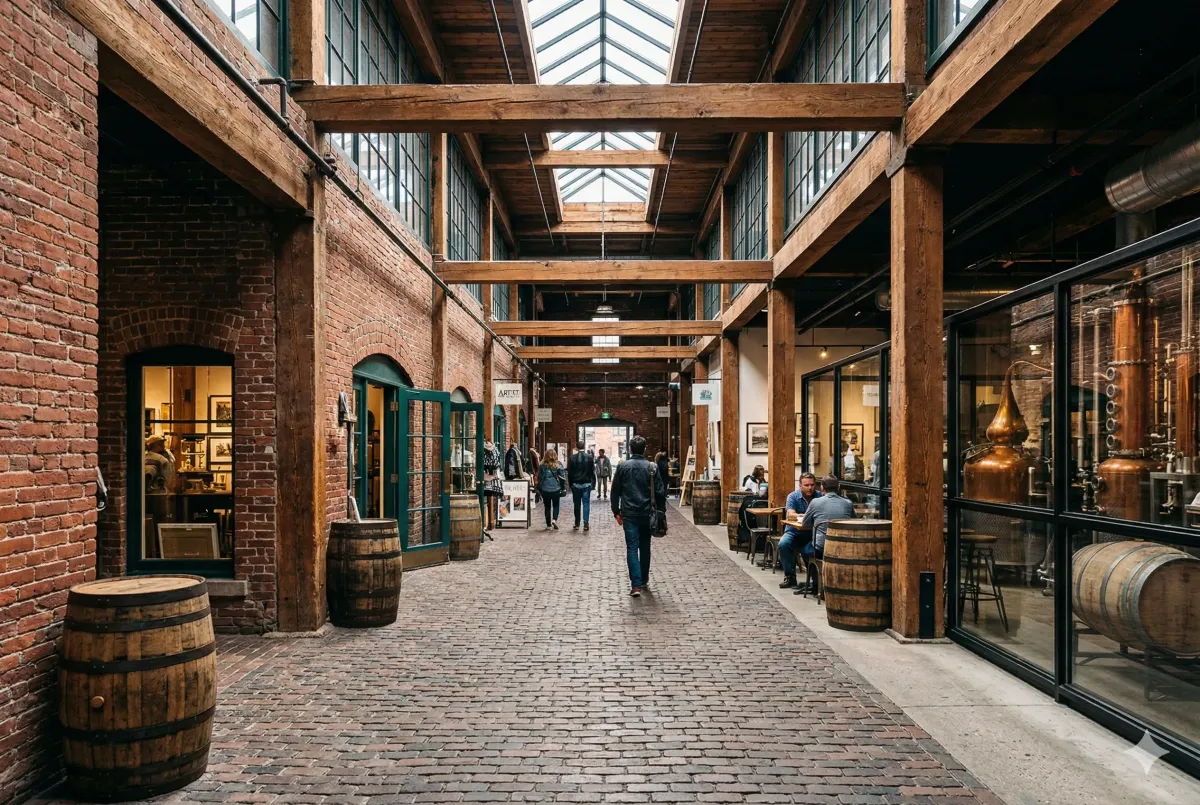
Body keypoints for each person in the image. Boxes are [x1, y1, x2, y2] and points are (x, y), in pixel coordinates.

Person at [610, 435, 665, 597]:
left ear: (630, 449)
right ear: (645, 449)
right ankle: (643, 579)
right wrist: (661, 512)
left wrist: (616, 511)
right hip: (648, 513)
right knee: (645, 546)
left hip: (629, 513)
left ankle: (636, 585)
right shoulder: (652, 467)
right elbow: (660, 492)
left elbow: (615, 491)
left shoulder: (622, 467)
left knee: (632, 548)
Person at [796, 475, 856, 594]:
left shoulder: (815, 502)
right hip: (843, 547)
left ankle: (816, 583)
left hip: (821, 547)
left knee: (804, 550)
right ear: (838, 487)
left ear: (822, 487)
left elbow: (805, 524)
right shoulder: (848, 503)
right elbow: (854, 521)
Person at [777, 472, 822, 590]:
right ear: (800, 485)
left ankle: (815, 581)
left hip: (813, 533)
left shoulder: (820, 496)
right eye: (806, 485)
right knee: (783, 544)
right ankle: (790, 577)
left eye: (812, 485)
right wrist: (805, 516)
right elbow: (790, 515)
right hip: (794, 531)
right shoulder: (793, 496)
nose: (810, 488)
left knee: (815, 548)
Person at [567, 440, 595, 531]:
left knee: (577, 504)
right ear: (584, 447)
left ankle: (577, 523)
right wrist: (592, 483)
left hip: (576, 484)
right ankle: (586, 523)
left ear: (576, 447)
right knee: (586, 503)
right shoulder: (589, 457)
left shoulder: (572, 458)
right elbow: (592, 471)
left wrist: (570, 484)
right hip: (586, 483)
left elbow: (570, 473)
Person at [536, 448, 566, 530]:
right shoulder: (558, 465)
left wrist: (539, 488)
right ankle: (554, 520)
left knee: (547, 507)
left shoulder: (542, 466)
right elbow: (562, 478)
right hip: (556, 488)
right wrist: (563, 488)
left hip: (545, 489)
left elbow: (540, 478)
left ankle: (548, 525)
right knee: (556, 505)